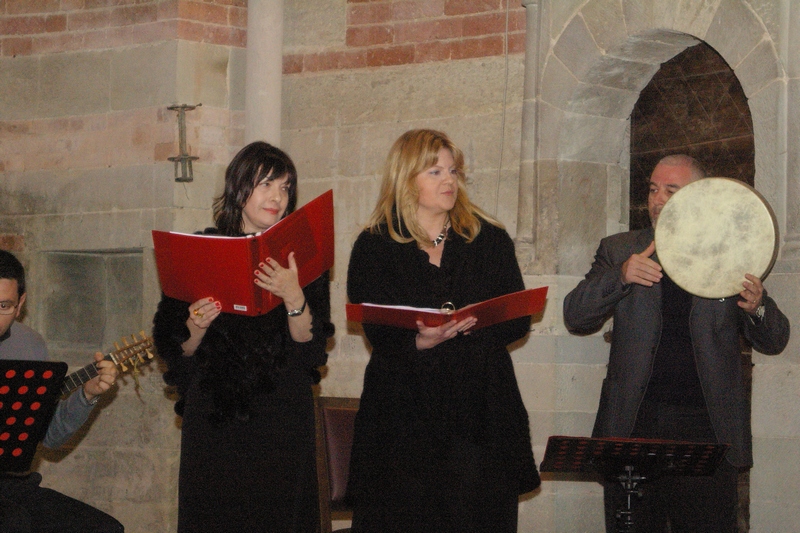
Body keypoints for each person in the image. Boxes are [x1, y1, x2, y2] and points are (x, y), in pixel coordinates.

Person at [563, 154, 790, 532]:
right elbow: (575, 315)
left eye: (671, 190)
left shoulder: (731, 253)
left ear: (700, 196)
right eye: (653, 189)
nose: (657, 199)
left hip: (708, 432)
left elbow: (776, 339)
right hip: (633, 426)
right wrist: (620, 277)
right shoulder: (621, 249)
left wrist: (758, 306)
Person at [345, 129, 540, 533]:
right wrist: (417, 340)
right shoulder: (374, 245)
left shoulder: (488, 238)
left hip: (480, 412)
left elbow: (518, 317)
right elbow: (375, 325)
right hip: (404, 415)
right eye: (434, 171)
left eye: (453, 171)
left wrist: (476, 325)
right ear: (406, 177)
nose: (448, 180)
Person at [152, 141, 334, 533]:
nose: (277, 196)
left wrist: (294, 295)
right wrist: (197, 325)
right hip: (216, 422)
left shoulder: (303, 257)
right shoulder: (200, 249)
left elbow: (313, 348)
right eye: (266, 184)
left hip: (281, 419)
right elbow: (173, 348)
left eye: (285, 187)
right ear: (239, 188)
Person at [0, 249, 123, 533]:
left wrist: (86, 395)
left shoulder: (29, 345)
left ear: (20, 304)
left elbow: (50, 437)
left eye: (4, 306)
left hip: (10, 484)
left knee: (103, 528)